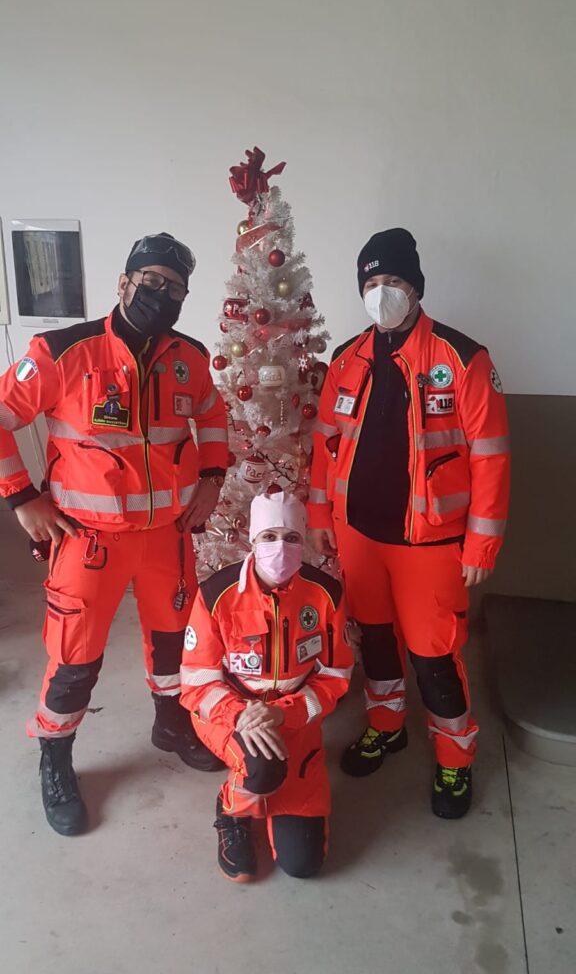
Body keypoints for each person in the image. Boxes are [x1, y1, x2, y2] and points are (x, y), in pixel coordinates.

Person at [0, 232, 229, 836]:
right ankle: (55, 757)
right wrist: (22, 498)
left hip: (166, 537)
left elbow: (212, 414)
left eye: (175, 287)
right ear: (124, 282)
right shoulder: (62, 351)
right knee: (74, 659)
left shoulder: (188, 356)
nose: (162, 293)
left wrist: (212, 477)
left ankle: (171, 724)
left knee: (174, 644)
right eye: (151, 280)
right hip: (88, 541)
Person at [309, 228, 510, 818]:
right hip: (358, 535)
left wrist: (482, 545)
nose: (382, 292)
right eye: (372, 282)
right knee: (375, 641)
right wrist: (319, 515)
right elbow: (325, 446)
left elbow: (491, 457)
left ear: (416, 287)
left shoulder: (462, 358)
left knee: (435, 657)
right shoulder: (345, 360)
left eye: (393, 280)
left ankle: (454, 759)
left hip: (432, 542)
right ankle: (386, 725)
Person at [179, 491, 353, 882]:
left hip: (295, 723)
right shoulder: (216, 595)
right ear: (252, 540)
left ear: (304, 541)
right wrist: (241, 716)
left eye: (291, 537)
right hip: (228, 718)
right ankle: (233, 810)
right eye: (269, 536)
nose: (280, 547)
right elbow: (196, 680)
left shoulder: (326, 593)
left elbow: (336, 675)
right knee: (262, 767)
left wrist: (282, 714)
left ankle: (263, 783)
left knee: (303, 865)